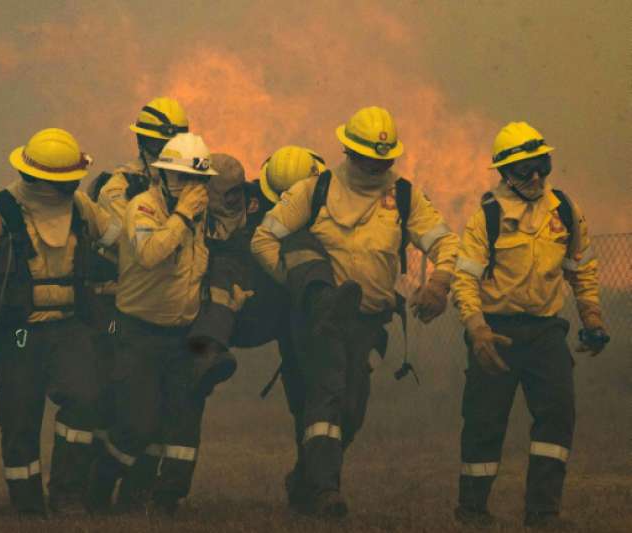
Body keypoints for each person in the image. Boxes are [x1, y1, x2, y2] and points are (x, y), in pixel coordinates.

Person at [252, 106, 459, 517]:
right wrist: (298, 287)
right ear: (349, 150)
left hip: (368, 320)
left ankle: (304, 477)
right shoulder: (316, 190)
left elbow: (445, 243)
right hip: (319, 318)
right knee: (327, 393)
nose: (379, 166)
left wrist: (439, 283)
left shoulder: (403, 196)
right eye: (371, 158)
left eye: (386, 159)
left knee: (352, 409)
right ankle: (327, 492)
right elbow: (264, 239)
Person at [0, 128, 113, 517]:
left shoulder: (82, 206)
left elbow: (120, 240)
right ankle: (27, 506)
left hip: (69, 327)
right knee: (20, 418)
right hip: (18, 331)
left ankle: (68, 495)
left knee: (85, 401)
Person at [451, 121, 609, 529]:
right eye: (525, 169)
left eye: (543, 164)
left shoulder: (565, 211)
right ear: (505, 173)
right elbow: (464, 278)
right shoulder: (487, 215)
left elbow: (582, 269)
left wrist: (591, 316)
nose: (536, 176)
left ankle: (543, 513)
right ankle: (471, 511)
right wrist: (476, 329)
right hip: (496, 333)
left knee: (557, 416)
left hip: (545, 333)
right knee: (485, 422)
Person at [89, 132, 216, 517]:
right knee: (136, 424)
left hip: (181, 335)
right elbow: (149, 254)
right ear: (161, 176)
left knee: (173, 423)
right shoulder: (142, 207)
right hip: (138, 333)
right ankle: (98, 486)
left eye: (197, 180)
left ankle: (149, 499)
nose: (189, 188)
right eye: (179, 178)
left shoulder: (201, 216)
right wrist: (181, 216)